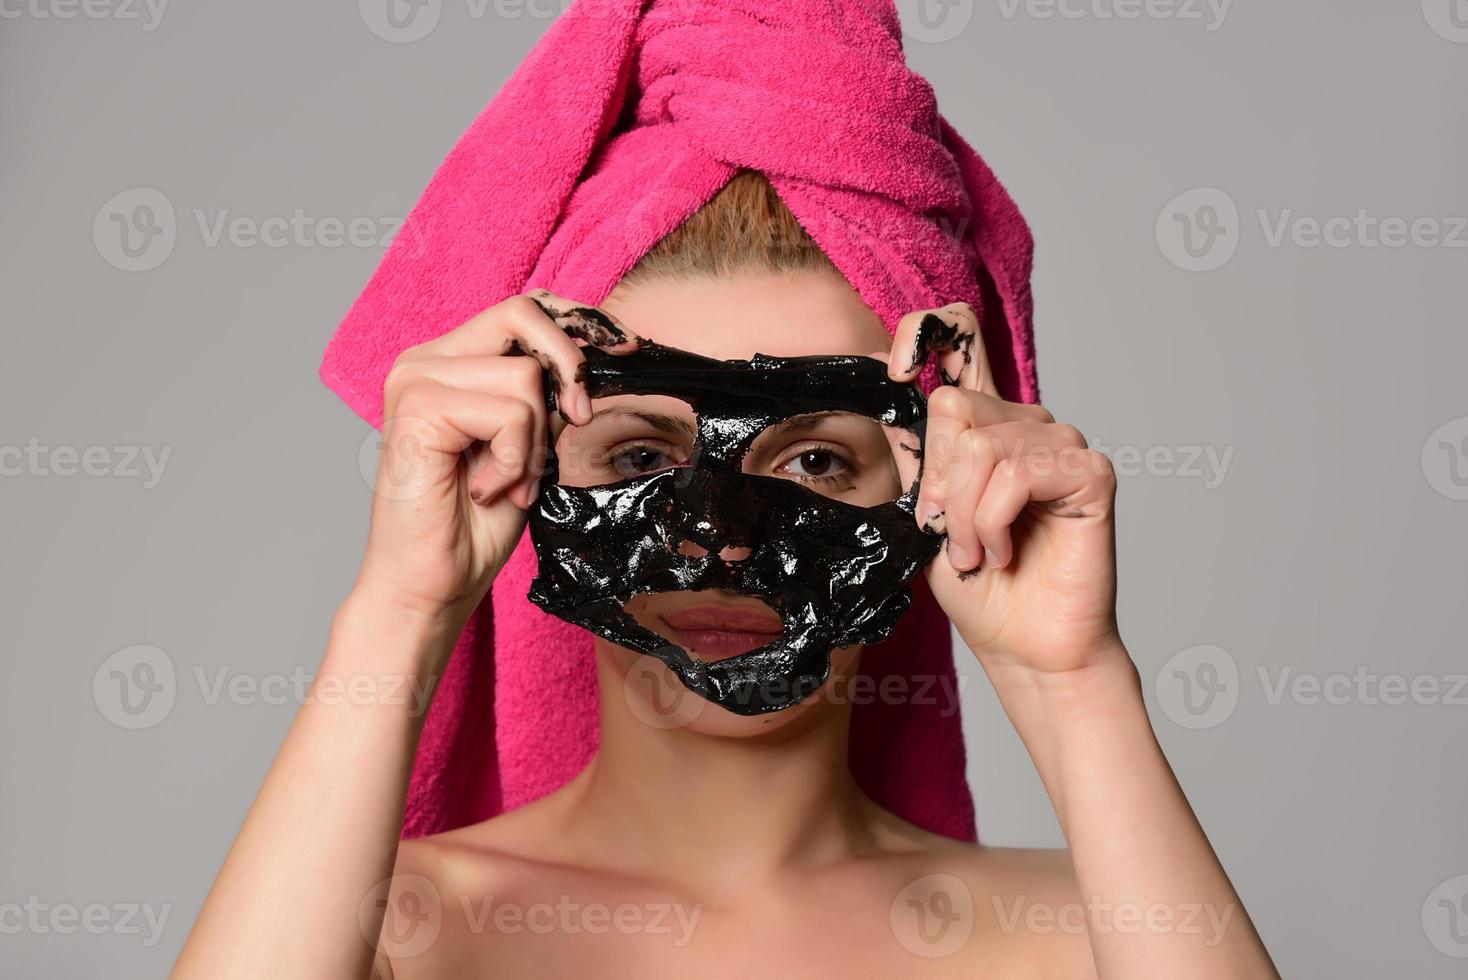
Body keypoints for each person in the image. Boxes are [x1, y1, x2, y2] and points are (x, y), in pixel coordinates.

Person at [172, 172, 1278, 978]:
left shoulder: (1080, 939)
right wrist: (400, 608)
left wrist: (1071, 674)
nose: (719, 537)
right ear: (531, 476)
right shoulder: (395, 927)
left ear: (931, 483)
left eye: (813, 458)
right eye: (642, 456)